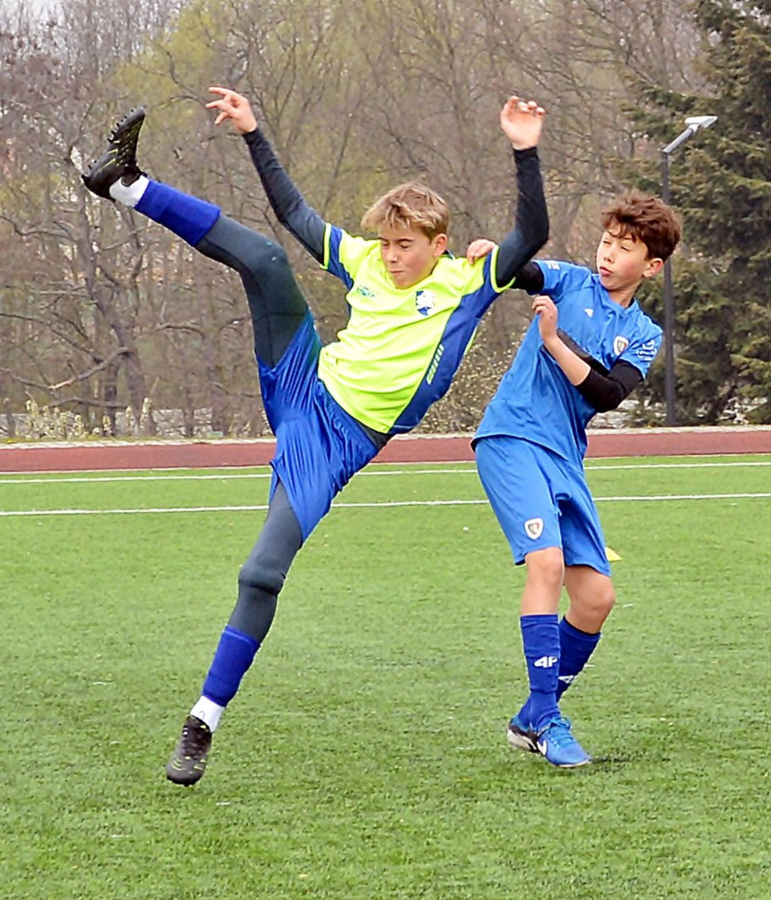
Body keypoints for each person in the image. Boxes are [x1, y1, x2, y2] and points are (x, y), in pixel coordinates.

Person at [82, 88, 548, 785]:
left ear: (439, 244)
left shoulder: (469, 280)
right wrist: (253, 132)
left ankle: (202, 720)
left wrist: (524, 151)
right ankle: (125, 184)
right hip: (305, 381)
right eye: (386, 243)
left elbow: (531, 233)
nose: (391, 256)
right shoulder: (366, 261)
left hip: (337, 443)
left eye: (405, 246)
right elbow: (295, 214)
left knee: (261, 573)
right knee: (269, 259)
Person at [466, 191, 679, 767]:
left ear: (651, 266)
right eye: (607, 242)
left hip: (565, 457)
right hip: (512, 437)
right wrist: (498, 255)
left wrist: (555, 343)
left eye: (625, 248)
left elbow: (607, 395)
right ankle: (545, 718)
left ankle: (533, 715)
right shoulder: (571, 282)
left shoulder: (644, 332)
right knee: (547, 565)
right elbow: (525, 272)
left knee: (596, 598)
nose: (608, 254)